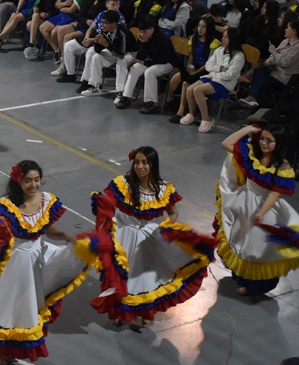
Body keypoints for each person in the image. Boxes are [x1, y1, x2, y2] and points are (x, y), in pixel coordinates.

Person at [0, 160, 87, 365]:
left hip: (37, 259)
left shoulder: (46, 200)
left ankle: (9, 347)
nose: (33, 185)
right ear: (18, 181)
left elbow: (48, 229)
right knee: (4, 310)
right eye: (28, 181)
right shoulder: (7, 207)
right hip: (15, 264)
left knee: (25, 309)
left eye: (37, 180)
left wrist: (66, 237)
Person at [75, 146, 214, 326]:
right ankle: (119, 311)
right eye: (137, 163)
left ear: (152, 165)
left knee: (145, 280)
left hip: (148, 238)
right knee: (122, 277)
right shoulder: (122, 184)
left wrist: (167, 227)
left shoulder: (162, 189)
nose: (140, 167)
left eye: (145, 163)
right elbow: (108, 205)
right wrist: (101, 205)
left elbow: (173, 212)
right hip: (124, 236)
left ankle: (141, 312)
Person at [214, 123, 299, 296]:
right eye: (262, 139)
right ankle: (243, 279)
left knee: (257, 250)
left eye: (269, 141)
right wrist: (248, 129)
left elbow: (274, 193)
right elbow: (226, 143)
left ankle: (257, 287)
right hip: (244, 203)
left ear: (279, 144)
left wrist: (261, 212)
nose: (264, 143)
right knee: (239, 243)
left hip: (265, 209)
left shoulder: (283, 167)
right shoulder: (253, 156)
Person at [177, 28, 246, 133]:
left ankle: (206, 119)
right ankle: (191, 114)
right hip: (212, 77)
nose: (223, 39)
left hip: (225, 83)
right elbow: (208, 65)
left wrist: (215, 72)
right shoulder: (219, 50)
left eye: (226, 37)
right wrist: (219, 69)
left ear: (233, 39)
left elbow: (229, 75)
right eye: (223, 36)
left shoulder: (239, 57)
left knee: (198, 90)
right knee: (190, 89)